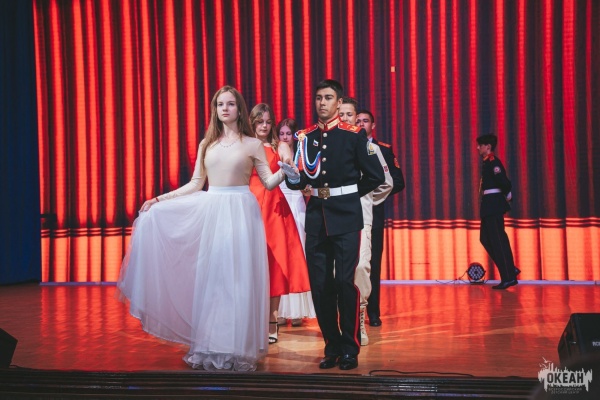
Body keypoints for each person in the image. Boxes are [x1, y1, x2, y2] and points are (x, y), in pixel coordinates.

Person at [117, 86, 299, 371]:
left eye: (230, 104)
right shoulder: (207, 144)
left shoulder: (253, 144)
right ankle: (212, 344)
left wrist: (286, 173)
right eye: (219, 104)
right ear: (215, 109)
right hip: (214, 211)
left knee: (237, 281)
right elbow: (195, 184)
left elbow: (267, 182)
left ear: (239, 109)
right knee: (215, 281)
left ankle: (237, 347)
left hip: (241, 212)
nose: (224, 108)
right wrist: (159, 199)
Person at [285, 79, 385, 370]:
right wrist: (293, 176)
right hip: (317, 217)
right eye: (319, 98)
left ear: (339, 103)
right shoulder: (305, 137)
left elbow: (376, 176)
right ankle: (331, 346)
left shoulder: (353, 136)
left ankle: (350, 347)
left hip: (346, 217)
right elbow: (299, 181)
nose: (322, 103)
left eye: (328, 98)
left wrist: (349, 195)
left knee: (344, 282)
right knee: (320, 285)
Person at [248, 104, 311, 344]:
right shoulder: (245, 145)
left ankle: (272, 322)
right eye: (259, 121)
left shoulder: (279, 146)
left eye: (267, 121)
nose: (264, 126)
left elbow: (287, 162)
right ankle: (250, 320)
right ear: (252, 122)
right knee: (249, 266)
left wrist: (289, 167)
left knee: (275, 265)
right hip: (249, 206)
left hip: (274, 209)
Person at [339, 98, 393, 346]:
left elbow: (386, 183)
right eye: (342, 115)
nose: (346, 119)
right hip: (334, 219)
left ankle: (359, 319)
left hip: (361, 218)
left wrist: (366, 199)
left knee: (361, 268)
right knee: (338, 273)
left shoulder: (370, 148)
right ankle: (342, 324)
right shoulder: (328, 147)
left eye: (350, 115)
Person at [356, 110, 405, 327]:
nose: (361, 124)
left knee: (372, 263)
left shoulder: (383, 149)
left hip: (373, 213)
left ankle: (373, 312)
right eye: (358, 121)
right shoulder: (347, 147)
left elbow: (398, 181)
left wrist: (373, 197)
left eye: (365, 121)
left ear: (373, 126)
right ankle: (351, 312)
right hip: (348, 212)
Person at [275, 118, 316, 328]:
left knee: (298, 254)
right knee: (281, 256)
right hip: (279, 203)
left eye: (288, 134)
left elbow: (308, 180)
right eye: (281, 134)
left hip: (297, 203)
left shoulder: (302, 154)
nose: (285, 137)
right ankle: (281, 311)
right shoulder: (274, 153)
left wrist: (307, 189)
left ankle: (298, 311)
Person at [476, 134, 518, 290]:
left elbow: (504, 182)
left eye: (480, 145)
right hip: (489, 205)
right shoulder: (487, 162)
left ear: (488, 146)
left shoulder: (494, 162)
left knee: (498, 241)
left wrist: (507, 194)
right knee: (485, 238)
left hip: (494, 205)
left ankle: (508, 277)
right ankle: (509, 268)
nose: (478, 148)